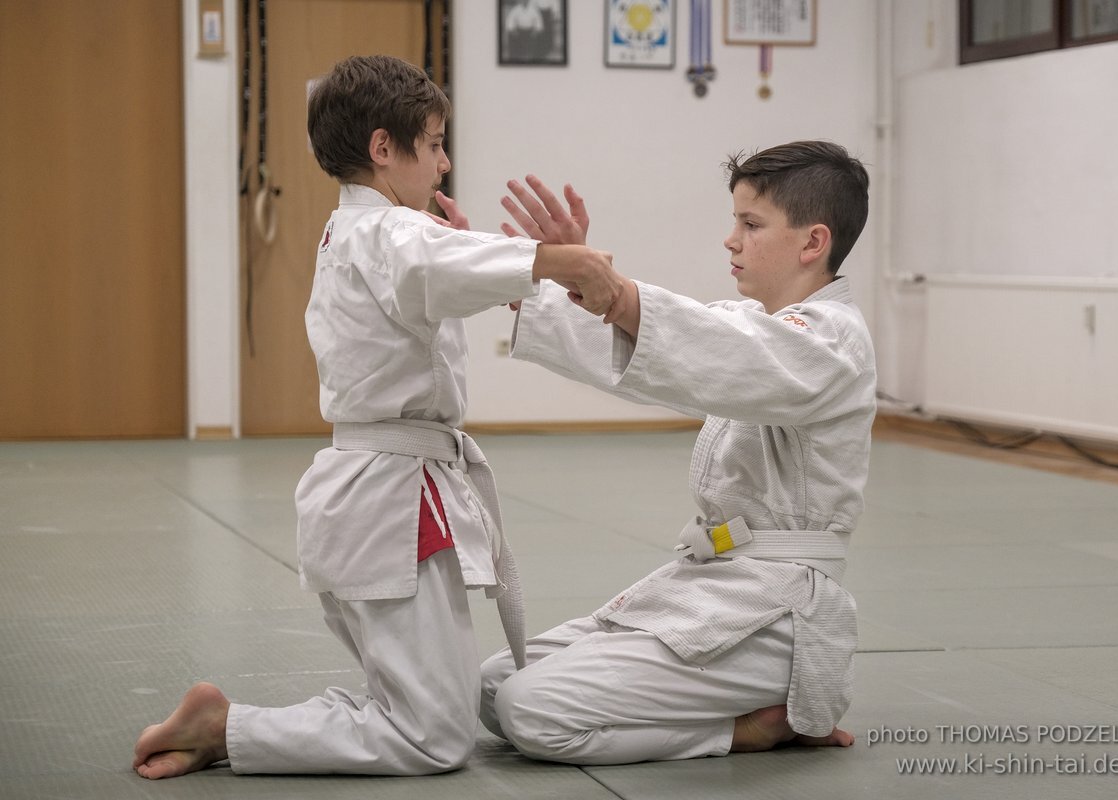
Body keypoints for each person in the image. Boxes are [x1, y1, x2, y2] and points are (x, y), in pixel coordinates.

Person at [131, 54, 622, 779]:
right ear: (383, 149)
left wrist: (501, 253)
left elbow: (441, 268)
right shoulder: (390, 234)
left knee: (433, 705)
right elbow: (437, 264)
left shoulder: (360, 231)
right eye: (433, 143)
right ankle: (229, 729)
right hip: (396, 502)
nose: (446, 162)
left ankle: (244, 726)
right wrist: (569, 263)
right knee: (433, 738)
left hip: (376, 491)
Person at [479, 140, 875, 765]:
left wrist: (614, 292)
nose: (731, 240)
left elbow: (718, 349)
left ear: (812, 242)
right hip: (721, 583)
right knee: (495, 683)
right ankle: (741, 708)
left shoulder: (831, 342)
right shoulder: (759, 327)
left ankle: (747, 729)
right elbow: (666, 350)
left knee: (529, 709)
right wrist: (551, 279)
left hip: (778, 611)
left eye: (751, 224)